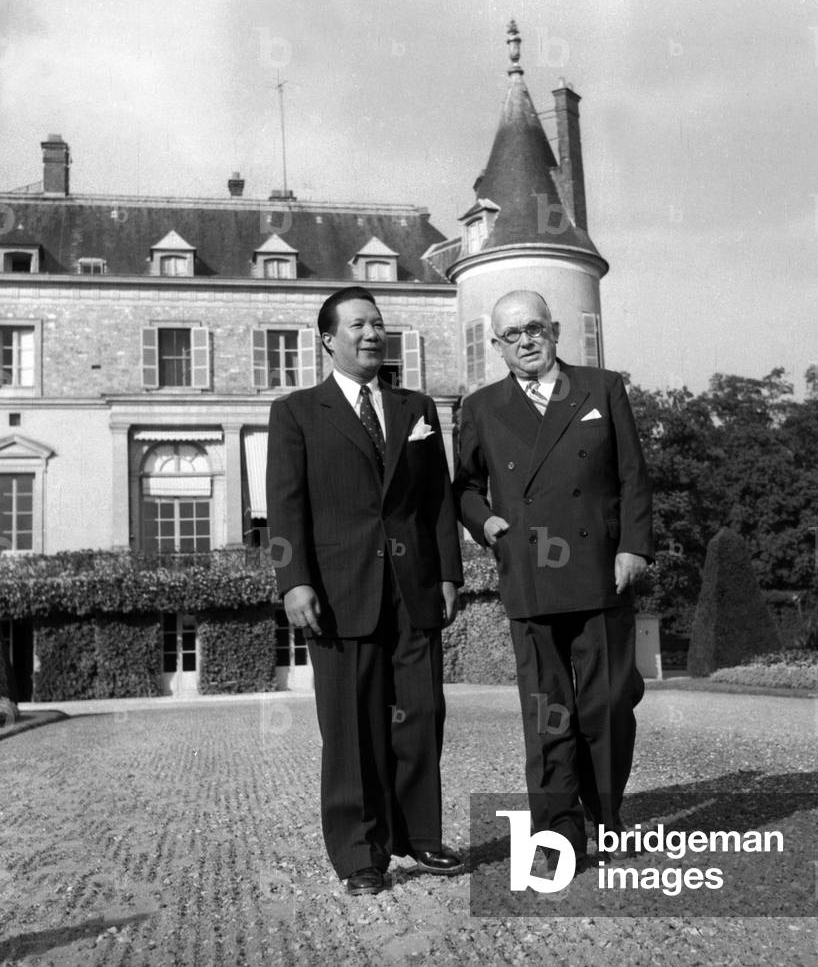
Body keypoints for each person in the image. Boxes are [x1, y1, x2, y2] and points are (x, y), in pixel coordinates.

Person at [266, 285, 464, 896]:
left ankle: (420, 836)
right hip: (338, 590)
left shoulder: (417, 408)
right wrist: (294, 581)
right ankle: (361, 856)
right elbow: (285, 507)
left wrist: (450, 573)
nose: (372, 334)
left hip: (413, 588)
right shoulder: (298, 411)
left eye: (378, 324)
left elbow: (437, 500)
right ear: (327, 339)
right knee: (351, 728)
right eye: (357, 325)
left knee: (422, 714)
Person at [454, 290, 653, 864]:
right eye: (511, 335)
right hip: (530, 572)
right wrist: (485, 521)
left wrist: (634, 547)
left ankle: (607, 816)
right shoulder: (482, 407)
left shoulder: (603, 387)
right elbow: (463, 486)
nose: (524, 341)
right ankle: (558, 835)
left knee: (610, 704)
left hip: (601, 570)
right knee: (549, 713)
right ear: (496, 346)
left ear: (556, 330)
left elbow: (633, 477)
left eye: (533, 329)